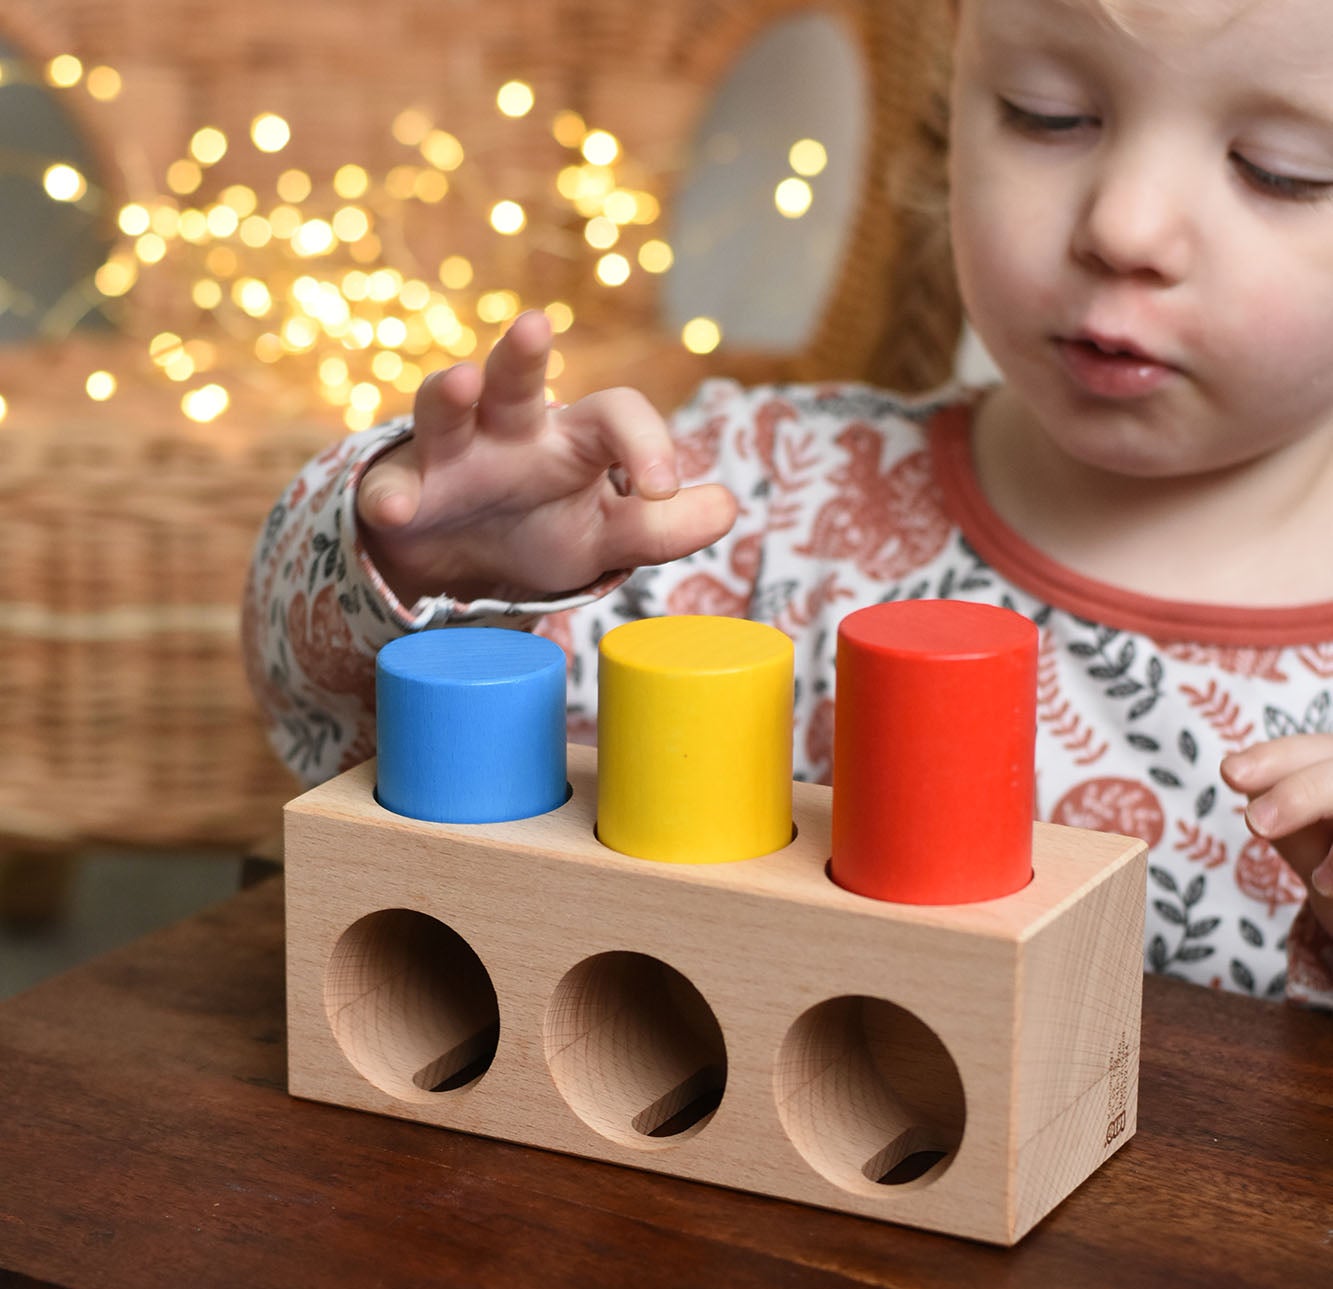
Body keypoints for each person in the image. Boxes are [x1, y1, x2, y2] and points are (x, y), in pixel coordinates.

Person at [244, 0, 1333, 1003]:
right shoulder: (735, 495)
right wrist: (442, 571)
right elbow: (332, 743)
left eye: (1283, 171)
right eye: (1045, 114)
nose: (1124, 227)